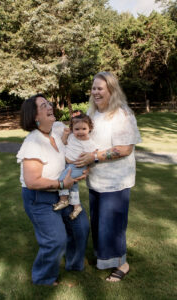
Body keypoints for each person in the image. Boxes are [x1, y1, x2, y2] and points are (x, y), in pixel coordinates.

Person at [74, 71, 141, 282]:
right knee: (99, 223)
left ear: (111, 90)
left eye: (100, 88)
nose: (95, 92)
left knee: (113, 224)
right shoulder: (92, 113)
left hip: (116, 181)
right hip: (96, 179)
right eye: (93, 88)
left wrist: (93, 156)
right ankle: (104, 258)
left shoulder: (122, 114)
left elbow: (124, 149)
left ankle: (122, 264)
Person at [16, 94, 89, 286]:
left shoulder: (56, 130)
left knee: (80, 227)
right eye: (43, 105)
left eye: (49, 103)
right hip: (39, 198)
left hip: (62, 195)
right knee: (56, 240)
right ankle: (43, 278)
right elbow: (32, 181)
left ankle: (73, 265)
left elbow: (79, 130)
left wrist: (81, 167)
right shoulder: (33, 142)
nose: (50, 106)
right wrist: (62, 184)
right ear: (34, 116)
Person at [53, 111, 96, 220]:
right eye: (77, 129)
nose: (80, 132)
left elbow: (92, 157)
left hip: (77, 166)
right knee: (73, 186)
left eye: (84, 129)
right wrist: (65, 135)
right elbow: (63, 142)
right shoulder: (71, 136)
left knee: (63, 180)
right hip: (69, 165)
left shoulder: (89, 143)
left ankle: (63, 200)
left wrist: (88, 167)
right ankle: (77, 206)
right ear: (72, 129)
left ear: (89, 128)